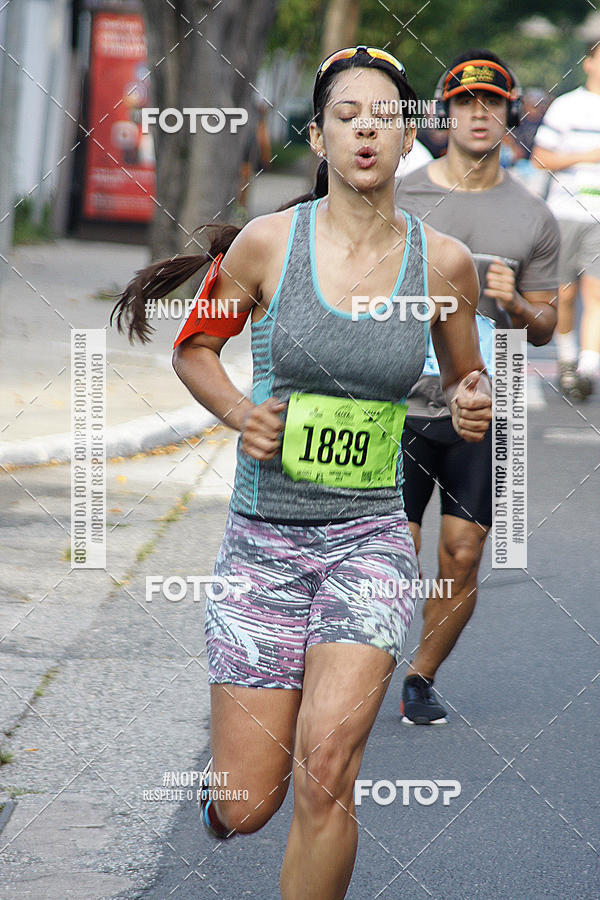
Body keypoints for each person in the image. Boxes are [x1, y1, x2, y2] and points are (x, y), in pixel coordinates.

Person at [112, 46, 492, 899]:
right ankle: (228, 801)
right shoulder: (265, 245)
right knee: (252, 802)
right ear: (318, 137)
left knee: (328, 768)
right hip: (262, 548)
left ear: (407, 141)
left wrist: (473, 404)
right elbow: (195, 347)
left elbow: (468, 378)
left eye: (386, 115)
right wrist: (244, 414)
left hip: (369, 538)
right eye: (348, 114)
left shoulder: (444, 267)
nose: (367, 127)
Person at [395, 49, 558, 725]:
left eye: (493, 102)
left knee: (461, 553)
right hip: (396, 399)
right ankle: (357, 661)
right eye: (466, 102)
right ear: (446, 113)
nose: (480, 113)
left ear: (510, 113)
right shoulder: (399, 195)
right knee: (390, 552)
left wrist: (517, 305)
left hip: (484, 410)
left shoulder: (532, 217)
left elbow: (547, 325)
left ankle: (418, 677)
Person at [533, 40, 600, 401]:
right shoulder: (567, 106)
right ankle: (567, 360)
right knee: (564, 293)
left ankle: (587, 369)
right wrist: (587, 155)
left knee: (596, 293)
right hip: (564, 211)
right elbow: (540, 158)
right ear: (588, 62)